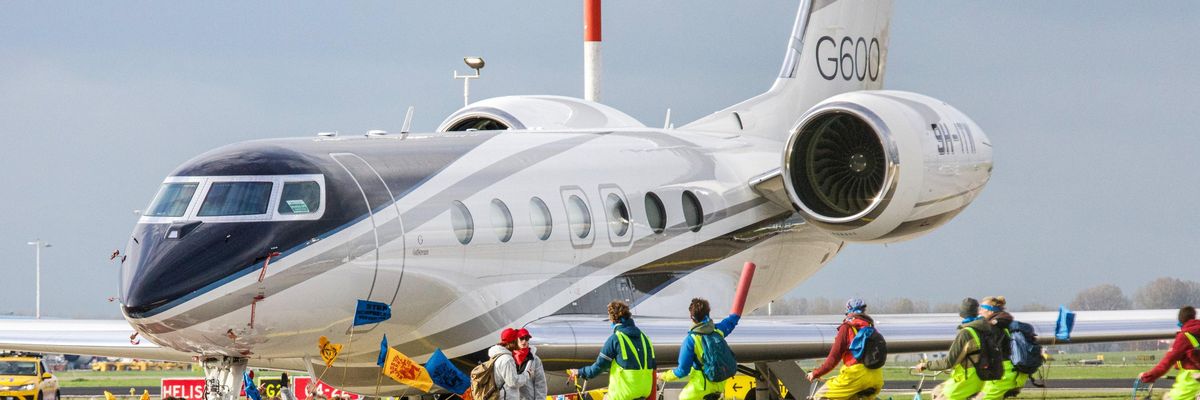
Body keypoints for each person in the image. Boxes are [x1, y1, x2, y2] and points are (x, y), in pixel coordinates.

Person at [567, 301, 656, 400]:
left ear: (612, 319)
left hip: (621, 396)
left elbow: (599, 367)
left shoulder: (616, 339)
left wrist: (580, 372)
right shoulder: (645, 339)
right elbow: (653, 369)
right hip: (643, 394)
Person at [660, 298, 740, 400]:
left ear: (692, 318)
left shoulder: (691, 340)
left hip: (700, 389)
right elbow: (732, 320)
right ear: (708, 313)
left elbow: (682, 371)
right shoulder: (718, 331)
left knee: (683, 397)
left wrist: (662, 376)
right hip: (719, 386)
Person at [915, 297, 993, 400]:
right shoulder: (985, 330)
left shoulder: (966, 333)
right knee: (937, 391)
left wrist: (926, 365)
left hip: (968, 380)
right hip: (984, 378)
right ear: (977, 312)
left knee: (940, 397)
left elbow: (949, 362)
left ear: (962, 313)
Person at [805, 298, 884, 400]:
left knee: (819, 396)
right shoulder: (871, 327)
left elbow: (833, 359)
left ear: (848, 311)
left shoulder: (847, 327)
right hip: (876, 377)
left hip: (855, 376)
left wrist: (815, 373)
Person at [1140, 305, 1199, 400]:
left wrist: (1148, 376)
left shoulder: (1184, 337)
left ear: (1181, 321)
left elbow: (1167, 362)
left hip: (1191, 381)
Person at [973, 296, 1026, 400]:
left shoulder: (993, 328)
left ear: (990, 311)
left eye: (982, 308)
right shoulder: (1004, 325)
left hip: (1002, 373)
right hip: (1010, 372)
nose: (979, 312)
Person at [488, 328, 530, 400]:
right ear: (511, 342)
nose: (518, 343)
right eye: (517, 340)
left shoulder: (496, 355)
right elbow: (513, 382)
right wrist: (527, 374)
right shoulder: (507, 359)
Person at [516, 328, 547, 400]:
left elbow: (540, 383)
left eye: (526, 338)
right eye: (521, 338)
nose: (524, 341)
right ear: (516, 339)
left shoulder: (535, 360)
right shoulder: (509, 358)